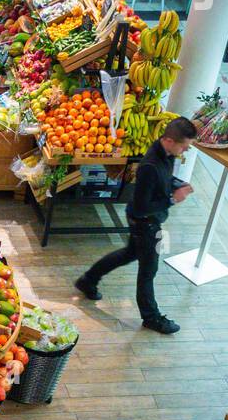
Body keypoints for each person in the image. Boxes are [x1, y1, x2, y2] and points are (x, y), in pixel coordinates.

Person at [75, 116, 198, 335]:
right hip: (145, 223)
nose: (186, 150)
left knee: (129, 254)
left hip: (146, 221)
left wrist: (176, 185)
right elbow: (142, 207)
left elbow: (164, 181)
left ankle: (88, 280)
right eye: (184, 145)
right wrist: (172, 199)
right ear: (170, 140)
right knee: (148, 270)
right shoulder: (150, 166)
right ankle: (151, 317)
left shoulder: (167, 155)